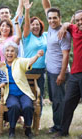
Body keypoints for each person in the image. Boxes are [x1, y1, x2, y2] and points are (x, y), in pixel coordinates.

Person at [1, 41, 44, 138]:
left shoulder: (19, 61)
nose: (9, 53)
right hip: (10, 94)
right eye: (7, 51)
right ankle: (12, 129)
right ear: (4, 53)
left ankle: (28, 129)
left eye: (12, 51)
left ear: (16, 53)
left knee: (28, 106)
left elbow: (29, 61)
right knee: (14, 106)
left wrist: (37, 55)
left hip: (23, 93)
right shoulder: (2, 66)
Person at [42, 0, 72, 133]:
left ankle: (60, 128)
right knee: (55, 100)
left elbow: (66, 55)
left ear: (60, 18)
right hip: (50, 71)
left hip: (59, 72)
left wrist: (61, 74)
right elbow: (47, 6)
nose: (52, 20)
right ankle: (56, 125)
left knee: (60, 101)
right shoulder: (51, 27)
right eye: (50, 18)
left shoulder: (63, 33)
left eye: (55, 18)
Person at [54, 10, 82, 138]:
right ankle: (63, 131)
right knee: (67, 102)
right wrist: (65, 26)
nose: (80, 22)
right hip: (75, 74)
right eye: (77, 20)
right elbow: (66, 24)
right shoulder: (74, 29)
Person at [22, 0, 47, 114]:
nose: (35, 26)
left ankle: (38, 119)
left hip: (41, 70)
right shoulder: (27, 36)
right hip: (29, 70)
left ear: (41, 25)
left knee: (39, 95)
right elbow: (26, 24)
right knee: (28, 95)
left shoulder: (45, 36)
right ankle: (27, 119)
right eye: (33, 24)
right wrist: (27, 11)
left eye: (37, 24)